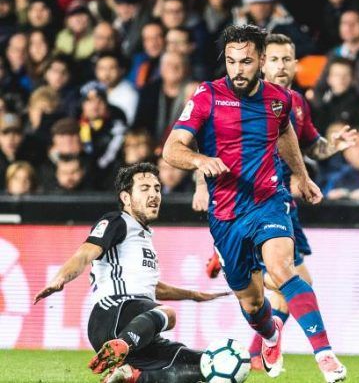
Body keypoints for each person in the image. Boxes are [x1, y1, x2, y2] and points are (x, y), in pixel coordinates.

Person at [162, 24, 347, 382]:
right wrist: (200, 162)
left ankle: (324, 354)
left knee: (283, 268)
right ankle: (269, 334)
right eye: (231, 62)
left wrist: (303, 178)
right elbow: (172, 148)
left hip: (268, 201)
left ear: (259, 61)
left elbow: (286, 134)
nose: (237, 70)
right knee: (251, 301)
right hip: (226, 213)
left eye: (245, 62)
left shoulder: (279, 99)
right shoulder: (207, 96)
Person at [33, 163, 227, 383]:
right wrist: (60, 278)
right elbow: (84, 254)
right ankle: (121, 346)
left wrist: (195, 295)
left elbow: (152, 287)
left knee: (206, 365)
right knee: (169, 315)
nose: (154, 194)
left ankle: (130, 376)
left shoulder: (143, 236)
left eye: (156, 188)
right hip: (113, 314)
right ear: (126, 198)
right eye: (144, 188)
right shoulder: (117, 221)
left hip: (140, 325)